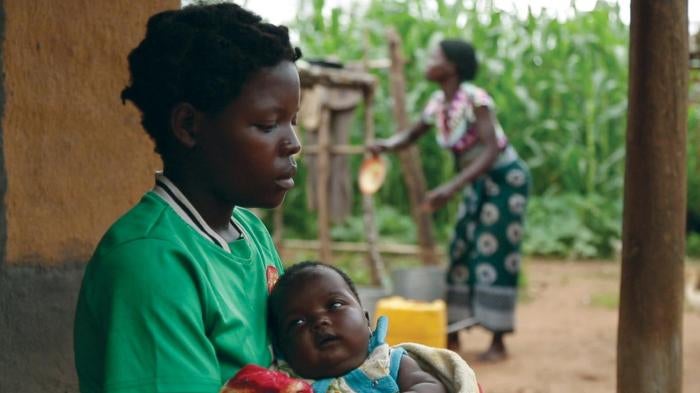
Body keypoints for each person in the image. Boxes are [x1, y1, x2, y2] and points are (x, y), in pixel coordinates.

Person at [73, 3, 302, 392]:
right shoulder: (151, 263)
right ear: (189, 126)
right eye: (267, 124)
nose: (293, 144)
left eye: (292, 122)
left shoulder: (249, 232)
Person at [369, 39, 531, 362]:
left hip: (504, 180)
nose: (428, 61)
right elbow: (412, 135)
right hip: (474, 181)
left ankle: (498, 339)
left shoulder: (475, 99)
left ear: (452, 67)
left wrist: (450, 188)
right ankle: (453, 330)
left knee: (495, 252)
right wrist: (385, 145)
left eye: (436, 57)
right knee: (460, 248)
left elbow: (491, 150)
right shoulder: (437, 104)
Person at [265, 261, 481, 393]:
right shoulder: (286, 382)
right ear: (282, 348)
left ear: (366, 320)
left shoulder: (387, 361)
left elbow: (430, 387)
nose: (320, 321)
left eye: (335, 305)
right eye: (298, 322)